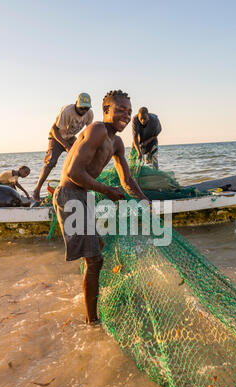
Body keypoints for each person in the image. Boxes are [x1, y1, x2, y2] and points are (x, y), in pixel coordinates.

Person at [53, 90, 148, 324]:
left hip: (83, 196)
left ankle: (89, 296)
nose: (125, 115)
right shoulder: (96, 130)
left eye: (128, 111)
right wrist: (107, 191)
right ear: (106, 110)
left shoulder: (116, 143)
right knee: (94, 259)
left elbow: (126, 180)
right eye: (120, 110)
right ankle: (92, 322)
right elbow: (73, 172)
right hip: (69, 195)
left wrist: (145, 201)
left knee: (99, 249)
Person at [32, 93, 94, 201]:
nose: (84, 110)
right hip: (57, 137)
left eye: (86, 108)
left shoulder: (89, 114)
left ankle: (80, 188)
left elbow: (88, 132)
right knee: (51, 162)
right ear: (76, 104)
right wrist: (66, 146)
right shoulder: (67, 111)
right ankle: (36, 190)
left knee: (83, 159)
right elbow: (54, 130)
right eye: (82, 108)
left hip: (70, 137)